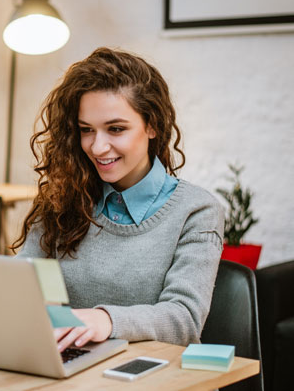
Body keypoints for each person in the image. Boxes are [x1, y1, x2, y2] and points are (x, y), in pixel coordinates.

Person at [13, 47, 224, 353]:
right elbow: (21, 284)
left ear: (152, 125)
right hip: (74, 372)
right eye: (87, 130)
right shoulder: (64, 198)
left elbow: (184, 318)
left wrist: (104, 320)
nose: (98, 147)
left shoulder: (197, 210)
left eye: (116, 129)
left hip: (155, 378)